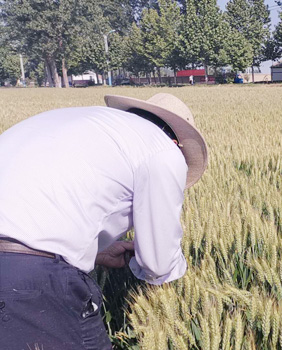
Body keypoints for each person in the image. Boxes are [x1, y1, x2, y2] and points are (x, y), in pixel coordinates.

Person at [0, 93, 208, 349]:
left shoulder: (79, 123)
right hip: (31, 279)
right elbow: (159, 262)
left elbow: (36, 211)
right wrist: (179, 292)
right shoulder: (163, 150)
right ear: (177, 141)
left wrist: (96, 253)